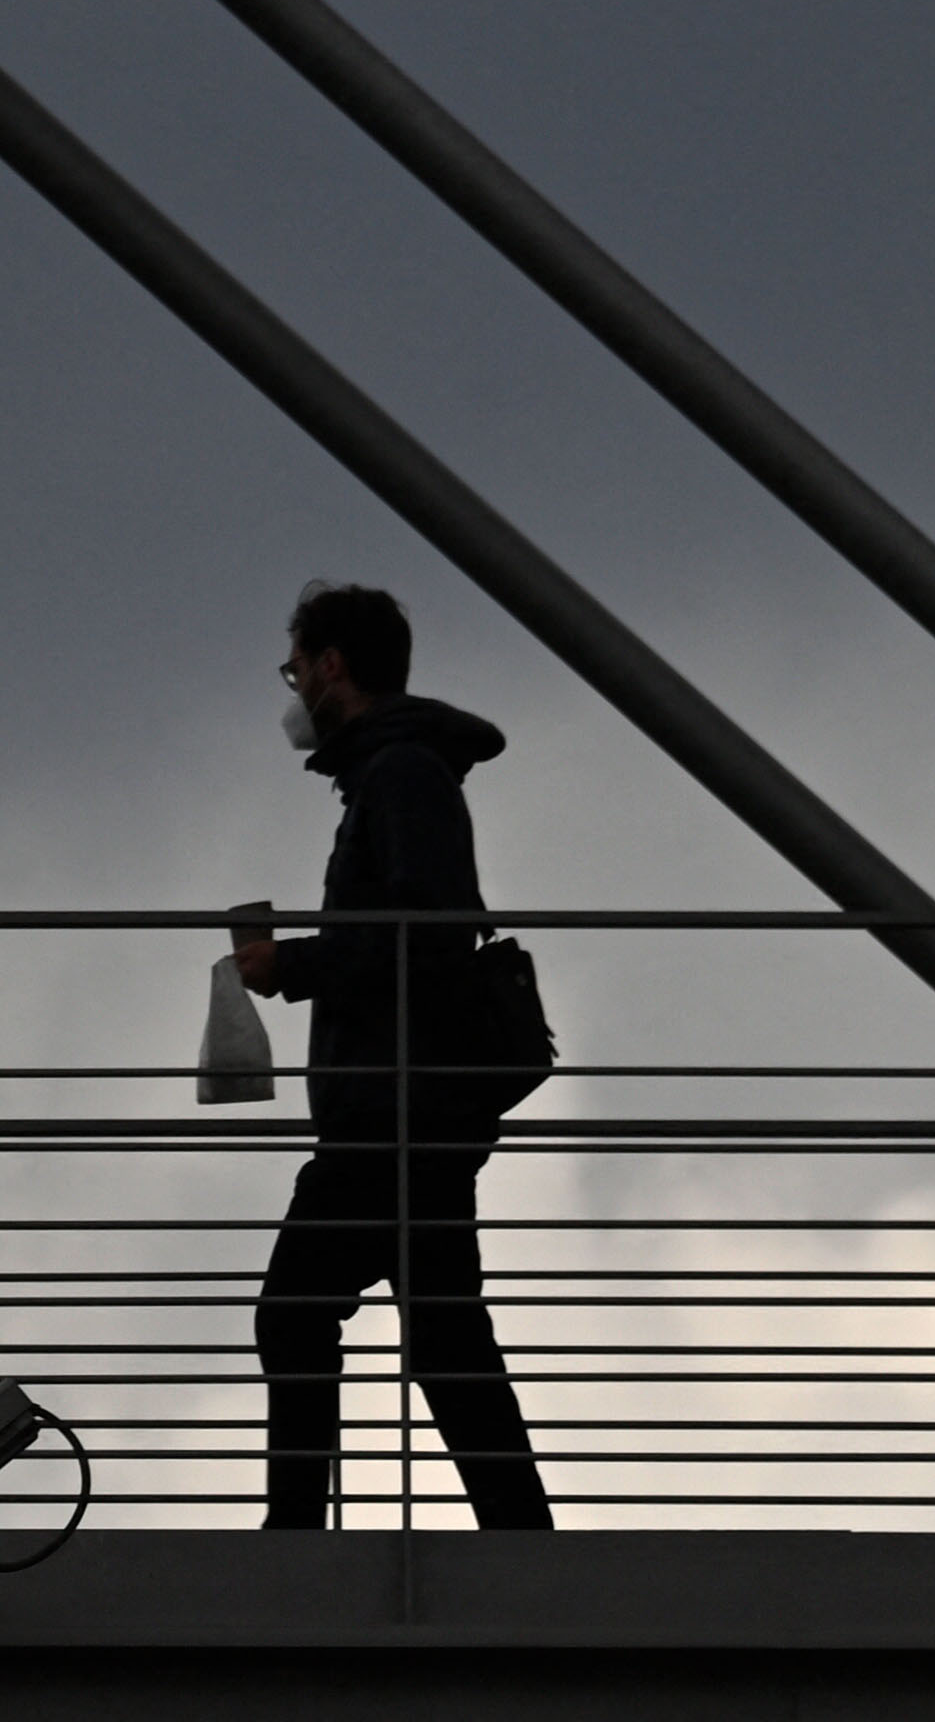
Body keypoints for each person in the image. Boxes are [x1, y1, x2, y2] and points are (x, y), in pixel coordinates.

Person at [231, 582, 552, 1530]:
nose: (295, 689)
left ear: (332, 665)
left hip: (395, 1108)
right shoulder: (398, 772)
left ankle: (295, 1538)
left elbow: (429, 931)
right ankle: (523, 1539)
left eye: (297, 668)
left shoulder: (401, 773)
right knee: (446, 1331)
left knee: (295, 1312)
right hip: (419, 1102)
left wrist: (293, 965)